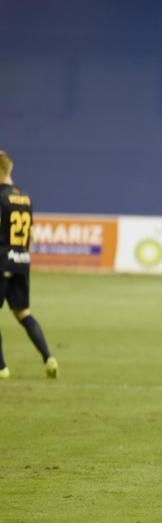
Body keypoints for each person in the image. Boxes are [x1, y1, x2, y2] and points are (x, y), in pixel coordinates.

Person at [0, 151, 58, 379]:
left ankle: (2, 367)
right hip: (22, 261)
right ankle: (48, 357)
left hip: (2, 260)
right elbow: (30, 234)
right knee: (24, 312)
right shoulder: (25, 197)